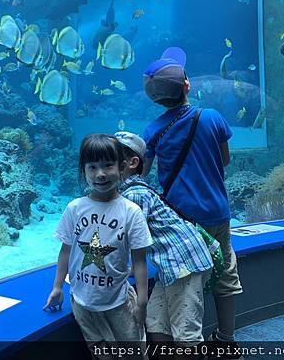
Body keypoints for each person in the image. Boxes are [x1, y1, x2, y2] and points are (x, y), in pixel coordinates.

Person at [142, 47, 243, 358]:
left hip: (178, 219)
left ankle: (174, 341)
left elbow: (143, 173)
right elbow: (224, 160)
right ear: (188, 86)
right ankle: (225, 338)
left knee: (181, 277)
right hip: (217, 213)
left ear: (154, 98)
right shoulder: (212, 117)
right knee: (224, 271)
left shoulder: (153, 130)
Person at [44, 134, 153, 359]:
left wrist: (142, 301)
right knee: (101, 353)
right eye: (92, 167)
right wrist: (57, 287)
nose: (100, 174)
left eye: (108, 165)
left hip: (118, 302)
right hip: (82, 303)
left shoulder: (131, 211)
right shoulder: (75, 208)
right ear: (83, 170)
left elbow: (140, 261)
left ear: (122, 167)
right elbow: (66, 251)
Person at [115, 131, 214, 351]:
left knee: (186, 332)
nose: (105, 163)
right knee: (156, 323)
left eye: (112, 157)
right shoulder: (132, 191)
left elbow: (127, 238)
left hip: (183, 265)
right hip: (171, 267)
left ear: (132, 162)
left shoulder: (133, 195)